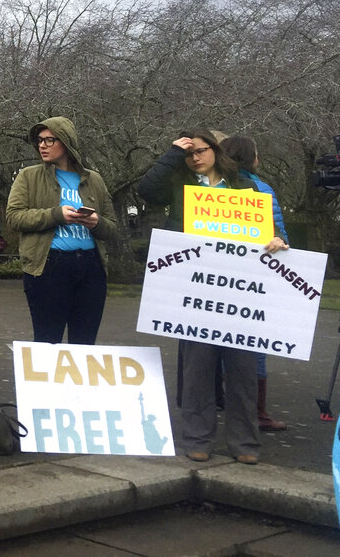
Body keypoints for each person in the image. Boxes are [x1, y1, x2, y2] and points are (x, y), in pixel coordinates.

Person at [137, 128, 263, 464]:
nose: (194, 157)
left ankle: (245, 444)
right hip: (194, 288)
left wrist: (276, 240)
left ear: (216, 150)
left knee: (242, 371)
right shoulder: (180, 188)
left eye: (199, 150)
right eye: (188, 153)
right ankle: (197, 438)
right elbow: (146, 189)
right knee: (197, 368)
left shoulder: (244, 186)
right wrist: (172, 151)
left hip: (238, 292)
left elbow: (262, 230)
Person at [5, 117, 117, 345]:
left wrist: (96, 222)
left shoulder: (94, 179)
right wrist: (56, 215)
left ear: (66, 142)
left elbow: (112, 228)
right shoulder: (29, 176)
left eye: (49, 140)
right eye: (39, 141)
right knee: (47, 343)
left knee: (85, 345)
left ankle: (80, 382)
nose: (42, 146)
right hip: (48, 268)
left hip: (91, 268)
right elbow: (14, 217)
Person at [219, 135, 290, 432]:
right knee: (254, 344)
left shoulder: (213, 188)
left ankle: (221, 401)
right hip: (252, 277)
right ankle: (256, 412)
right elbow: (280, 234)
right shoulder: (262, 189)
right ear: (252, 157)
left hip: (219, 274)